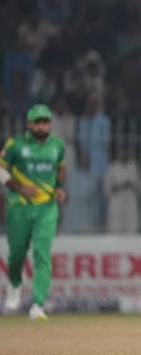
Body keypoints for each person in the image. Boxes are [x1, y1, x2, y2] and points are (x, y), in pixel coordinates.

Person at [1, 104, 67, 320]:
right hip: (19, 206)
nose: (42, 125)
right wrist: (20, 187)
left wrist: (60, 189)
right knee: (17, 253)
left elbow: (61, 169)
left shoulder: (57, 145)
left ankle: (38, 304)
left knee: (42, 254)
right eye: (38, 122)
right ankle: (14, 286)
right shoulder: (15, 145)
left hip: (46, 209)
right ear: (29, 124)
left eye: (46, 121)